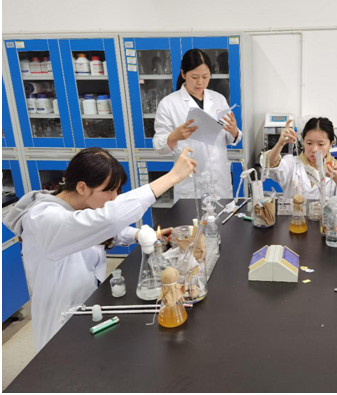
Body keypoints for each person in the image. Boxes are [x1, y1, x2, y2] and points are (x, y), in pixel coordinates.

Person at [4, 147, 197, 353]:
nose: (113, 198)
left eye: (117, 191)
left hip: (87, 307)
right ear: (82, 187)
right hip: (60, 322)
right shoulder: (43, 219)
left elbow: (100, 231)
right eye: (109, 191)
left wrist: (137, 234)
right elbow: (104, 221)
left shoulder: (77, 207)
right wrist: (172, 177)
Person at [153, 48, 242, 201]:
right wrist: (174, 136)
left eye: (205, 77)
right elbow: (158, 146)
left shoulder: (218, 99)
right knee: (191, 216)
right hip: (190, 183)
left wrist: (233, 131)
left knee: (222, 216)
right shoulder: (168, 104)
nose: (200, 82)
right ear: (183, 74)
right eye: (194, 77)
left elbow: (228, 138)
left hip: (219, 182)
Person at [260, 117, 337, 199]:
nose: (314, 149)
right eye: (309, 143)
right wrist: (280, 143)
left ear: (330, 145)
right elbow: (270, 164)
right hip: (294, 213)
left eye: (321, 144)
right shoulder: (292, 164)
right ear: (303, 141)